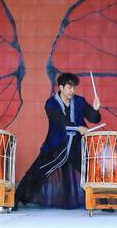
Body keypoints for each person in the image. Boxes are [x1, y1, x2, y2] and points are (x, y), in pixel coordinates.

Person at [15, 73, 101, 209]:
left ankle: (100, 201)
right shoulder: (51, 103)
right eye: (69, 87)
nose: (72, 90)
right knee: (37, 171)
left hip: (76, 146)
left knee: (90, 171)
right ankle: (17, 197)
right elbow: (60, 122)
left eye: (74, 88)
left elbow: (94, 119)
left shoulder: (80, 101)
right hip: (55, 146)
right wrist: (78, 128)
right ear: (61, 87)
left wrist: (96, 109)